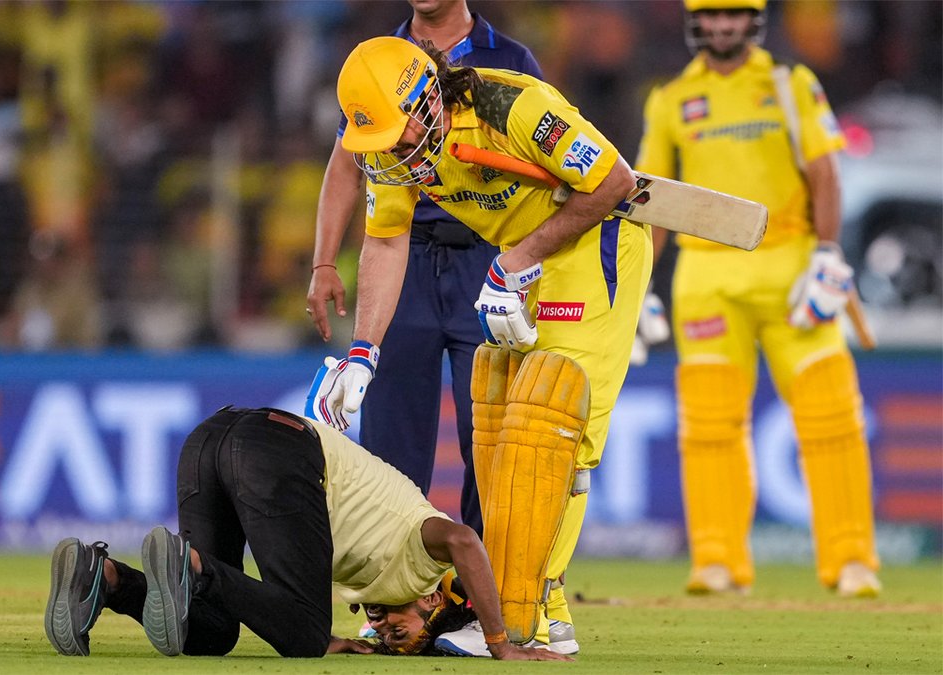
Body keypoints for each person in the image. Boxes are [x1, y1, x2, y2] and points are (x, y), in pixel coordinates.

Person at [306, 37, 651, 646]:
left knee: (552, 433)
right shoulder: (399, 154)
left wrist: (516, 258)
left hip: (598, 247)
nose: (391, 155)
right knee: (497, 442)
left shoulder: (511, 105)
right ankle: (544, 613)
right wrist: (364, 354)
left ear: (426, 99)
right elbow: (387, 243)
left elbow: (614, 183)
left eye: (395, 134)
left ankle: (530, 620)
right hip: (524, 264)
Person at [635, 0, 881, 597]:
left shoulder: (789, 82)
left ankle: (851, 561)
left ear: (753, 21)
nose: (723, 27)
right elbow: (653, 200)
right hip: (706, 276)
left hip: (793, 268)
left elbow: (824, 172)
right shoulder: (669, 98)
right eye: (713, 17)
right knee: (709, 426)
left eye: (735, 16)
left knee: (831, 416)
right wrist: (637, 287)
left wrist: (828, 252)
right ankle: (718, 561)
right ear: (698, 23)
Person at [43, 406, 571, 661]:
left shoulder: (377, 584)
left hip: (209, 440)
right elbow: (465, 542)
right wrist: (502, 644)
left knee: (207, 632)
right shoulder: (425, 557)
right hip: (277, 448)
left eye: (385, 633)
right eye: (402, 628)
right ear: (433, 599)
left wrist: (345, 637)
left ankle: (105, 576)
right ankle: (190, 564)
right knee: (303, 637)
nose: (383, 627)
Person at [306, 0, 542, 541]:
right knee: (390, 439)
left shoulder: (510, 59)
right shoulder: (381, 63)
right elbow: (347, 162)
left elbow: (545, 172)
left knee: (489, 434)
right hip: (401, 256)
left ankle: (488, 598)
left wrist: (528, 267)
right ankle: (393, 601)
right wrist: (323, 260)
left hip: (487, 257)